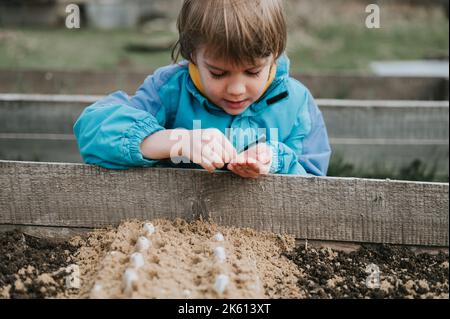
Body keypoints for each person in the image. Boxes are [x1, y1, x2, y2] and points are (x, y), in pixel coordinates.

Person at [74, 0, 331, 178]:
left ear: (274, 57)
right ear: (192, 56)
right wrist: (177, 140)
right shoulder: (170, 90)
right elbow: (94, 128)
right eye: (218, 73)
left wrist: (276, 160)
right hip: (173, 231)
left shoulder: (296, 104)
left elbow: (315, 186)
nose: (237, 89)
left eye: (253, 72)